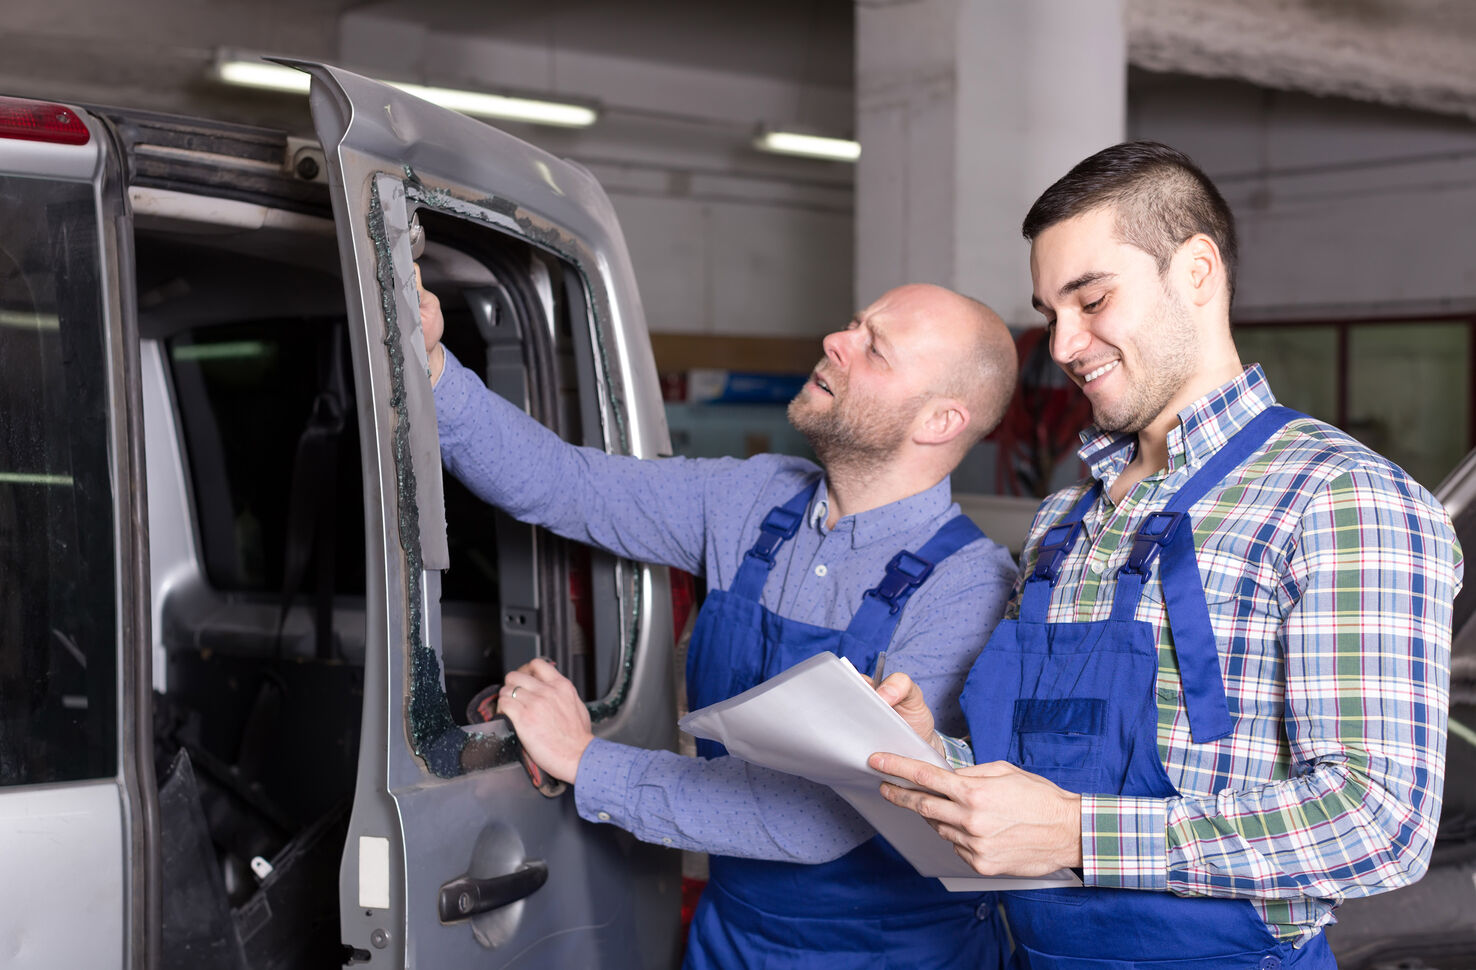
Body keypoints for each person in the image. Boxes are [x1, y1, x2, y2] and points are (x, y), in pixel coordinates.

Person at [870, 141, 1463, 969]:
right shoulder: (1061, 522)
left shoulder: (1337, 497)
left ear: (1196, 271)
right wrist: (941, 762)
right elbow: (1047, 778)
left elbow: (1377, 824)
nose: (1065, 345)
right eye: (1050, 314)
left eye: (1092, 299)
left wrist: (1076, 832)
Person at [419, 277, 1021, 968]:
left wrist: (585, 761)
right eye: (854, 323)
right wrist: (435, 367)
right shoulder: (756, 498)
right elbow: (564, 484)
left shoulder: (969, 588)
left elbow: (817, 818)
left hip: (890, 954)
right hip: (732, 936)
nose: (836, 340)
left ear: (940, 421)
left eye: (874, 349)